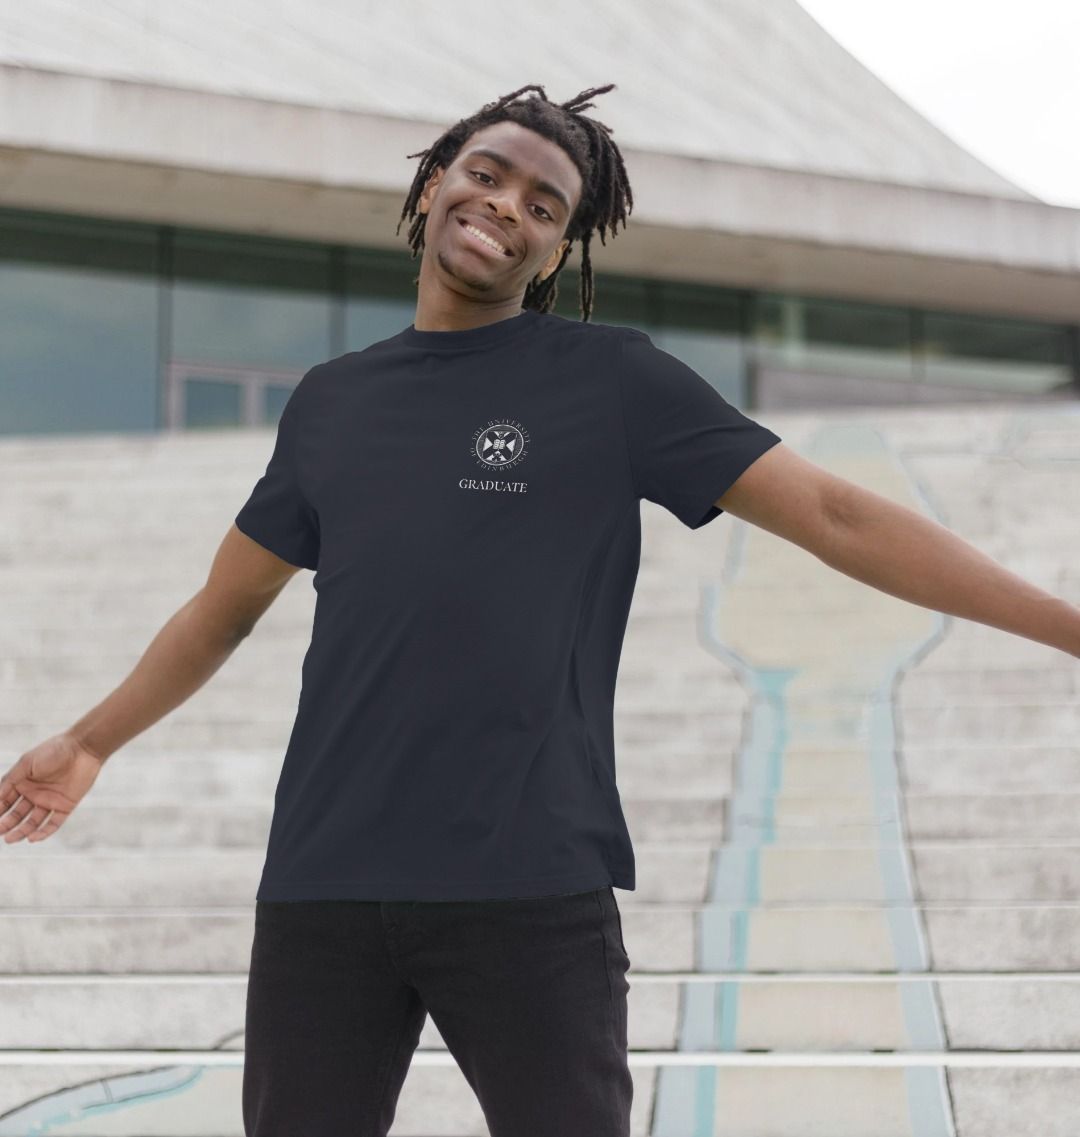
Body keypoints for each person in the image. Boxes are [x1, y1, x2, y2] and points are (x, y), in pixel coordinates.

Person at [1, 82, 1078, 1137]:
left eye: (545, 204)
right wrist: (92, 741)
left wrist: (1069, 626)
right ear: (431, 189)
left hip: (529, 885)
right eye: (487, 174)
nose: (508, 204)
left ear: (557, 254)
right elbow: (223, 610)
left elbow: (839, 516)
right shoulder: (332, 401)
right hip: (325, 886)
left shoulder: (610, 382)